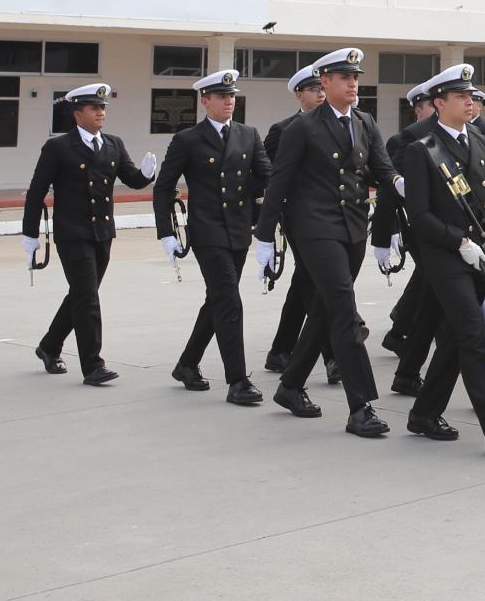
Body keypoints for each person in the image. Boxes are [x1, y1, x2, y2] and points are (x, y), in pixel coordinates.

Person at [251, 49, 397, 436]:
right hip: (315, 228)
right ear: (325, 83)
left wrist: (408, 191)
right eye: (343, 78)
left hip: (352, 227)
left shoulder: (365, 122)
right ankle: (360, 406)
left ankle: (290, 386)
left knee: (323, 309)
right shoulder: (303, 127)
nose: (353, 84)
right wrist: (265, 237)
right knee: (344, 310)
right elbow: (278, 182)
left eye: (356, 78)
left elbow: (384, 172)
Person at [397, 64, 485, 456]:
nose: (469, 101)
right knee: (473, 335)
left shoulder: (480, 140)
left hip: (480, 255)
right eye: (460, 96)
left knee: (458, 339)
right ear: (439, 103)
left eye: (470, 96)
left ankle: (424, 413)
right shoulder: (420, 151)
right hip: (445, 257)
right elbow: (420, 216)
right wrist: (458, 241)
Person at [21, 83, 156, 385]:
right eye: (94, 108)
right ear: (77, 112)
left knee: (83, 295)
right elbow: (37, 191)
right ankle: (93, 366)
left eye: (103, 108)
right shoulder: (58, 147)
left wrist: (147, 174)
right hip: (72, 233)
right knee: (88, 296)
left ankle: (49, 346)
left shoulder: (113, 144)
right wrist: (30, 234)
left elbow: (131, 179)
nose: (100, 112)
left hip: (102, 232)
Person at [154, 70, 271, 405]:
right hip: (207, 231)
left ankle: (187, 364)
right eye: (222, 96)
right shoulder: (188, 139)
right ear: (205, 100)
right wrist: (166, 231)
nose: (229, 101)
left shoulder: (248, 135)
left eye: (232, 96)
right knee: (230, 301)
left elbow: (267, 177)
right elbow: (164, 187)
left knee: (218, 300)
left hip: (238, 230)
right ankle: (237, 380)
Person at [264, 66, 329, 377]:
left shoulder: (336, 125)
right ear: (299, 94)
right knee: (319, 283)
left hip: (329, 219)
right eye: (313, 89)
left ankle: (280, 350)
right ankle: (334, 356)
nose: (320, 94)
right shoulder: (284, 129)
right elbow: (270, 176)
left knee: (306, 282)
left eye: (322, 88)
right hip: (299, 218)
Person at [380, 84, 441, 395]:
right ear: (419, 109)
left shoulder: (466, 134)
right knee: (436, 291)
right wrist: (387, 229)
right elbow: (391, 186)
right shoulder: (405, 140)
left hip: (452, 233)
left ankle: (401, 333)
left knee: (431, 292)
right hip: (420, 228)